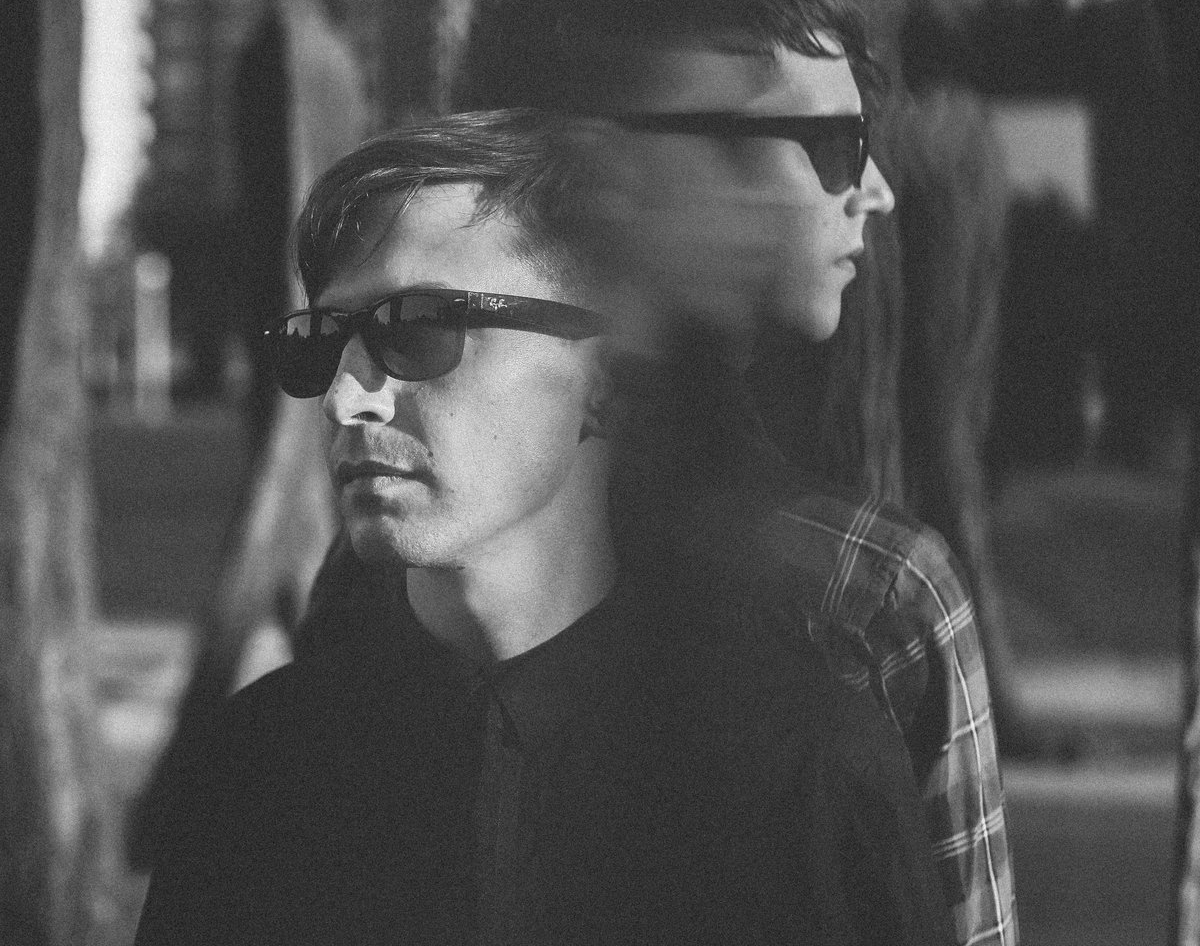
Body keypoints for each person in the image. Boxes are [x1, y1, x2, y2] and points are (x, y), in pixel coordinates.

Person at [135, 110, 954, 946]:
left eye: (416, 330)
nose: (348, 399)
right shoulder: (258, 771)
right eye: (321, 342)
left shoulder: (801, 770)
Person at [458, 0, 1018, 946]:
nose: (878, 191)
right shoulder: (879, 594)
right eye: (836, 147)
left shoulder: (408, 551)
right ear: (626, 165)